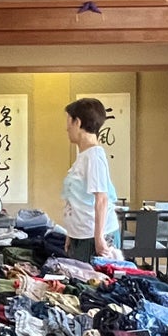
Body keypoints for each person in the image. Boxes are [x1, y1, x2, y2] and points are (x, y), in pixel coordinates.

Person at [61, 97, 119, 263]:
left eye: (68, 121)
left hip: (93, 236)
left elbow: (101, 198)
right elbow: (76, 200)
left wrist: (99, 238)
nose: (66, 128)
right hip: (82, 233)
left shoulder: (94, 156)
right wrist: (71, 233)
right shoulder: (84, 156)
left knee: (93, 278)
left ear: (77, 122)